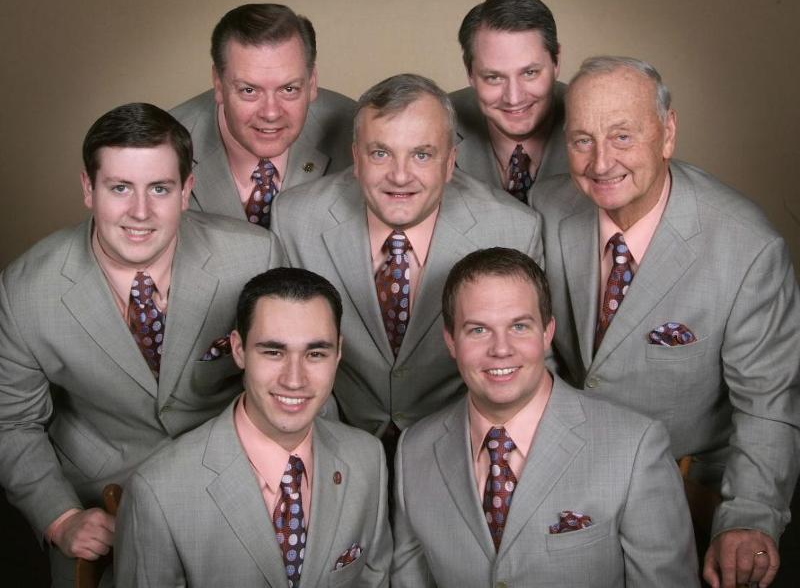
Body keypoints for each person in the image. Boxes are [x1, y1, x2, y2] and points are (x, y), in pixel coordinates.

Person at [530, 56, 800, 588]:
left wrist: (748, 516)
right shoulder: (546, 207)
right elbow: (532, 343)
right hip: (568, 469)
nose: (601, 162)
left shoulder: (747, 247)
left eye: (622, 136)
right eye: (582, 140)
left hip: (690, 479)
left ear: (668, 132)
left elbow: (768, 402)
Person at [0, 103, 284, 586]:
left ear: (186, 190)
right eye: (119, 188)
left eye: (159, 188)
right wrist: (61, 518)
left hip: (240, 478)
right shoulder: (25, 290)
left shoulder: (255, 257)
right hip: (100, 495)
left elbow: (298, 380)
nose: (140, 212)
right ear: (88, 189)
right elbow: (12, 423)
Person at [391, 247, 698, 587]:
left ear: (547, 332)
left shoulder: (635, 447)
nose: (501, 349)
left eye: (519, 326)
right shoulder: (413, 452)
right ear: (451, 341)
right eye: (478, 330)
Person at [271, 74, 542, 455]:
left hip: (459, 443)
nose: (400, 176)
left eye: (422, 155)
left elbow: (532, 365)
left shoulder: (513, 228)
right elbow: (281, 348)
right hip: (333, 439)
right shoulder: (296, 218)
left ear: (450, 162)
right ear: (356, 158)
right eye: (380, 153)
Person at [115, 267, 391, 587]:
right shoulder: (158, 491)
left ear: (339, 353)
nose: (294, 380)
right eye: (273, 352)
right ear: (239, 350)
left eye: (315, 353)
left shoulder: (368, 458)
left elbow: (374, 579)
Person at [172, 3, 355, 229]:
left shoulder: (354, 132)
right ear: (218, 84)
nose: (271, 113)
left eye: (289, 89)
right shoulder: (166, 147)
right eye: (249, 90)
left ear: (312, 82)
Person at [450, 0, 569, 203]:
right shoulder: (434, 123)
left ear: (556, 61)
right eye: (494, 77)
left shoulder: (598, 121)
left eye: (530, 73)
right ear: (470, 73)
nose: (514, 98)